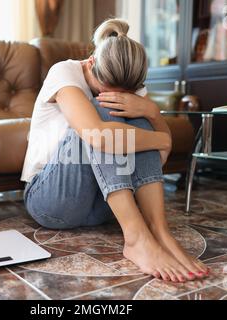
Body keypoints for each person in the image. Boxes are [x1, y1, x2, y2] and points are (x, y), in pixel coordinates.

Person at [21, 19, 210, 283]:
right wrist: (161, 139)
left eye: (128, 93)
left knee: (139, 120)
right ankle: (136, 238)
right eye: (103, 89)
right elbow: (100, 137)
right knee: (103, 115)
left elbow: (159, 152)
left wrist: (152, 112)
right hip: (53, 202)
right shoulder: (64, 72)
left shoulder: (130, 84)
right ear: (90, 63)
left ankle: (160, 231)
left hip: (106, 208)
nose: (111, 95)